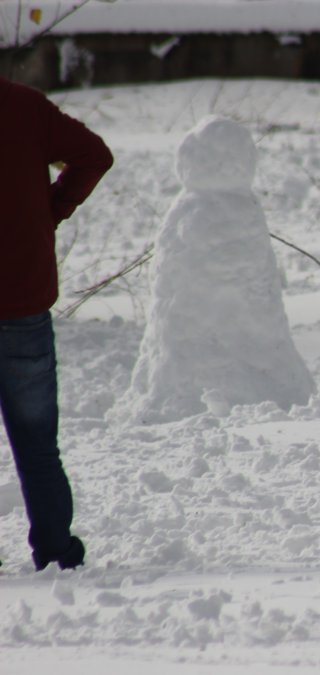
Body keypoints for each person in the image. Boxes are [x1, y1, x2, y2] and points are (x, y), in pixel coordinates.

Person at [1, 76, 113, 571]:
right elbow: (94, 155)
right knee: (37, 442)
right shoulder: (24, 105)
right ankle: (55, 551)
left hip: (25, 297)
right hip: (23, 297)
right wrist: (51, 208)